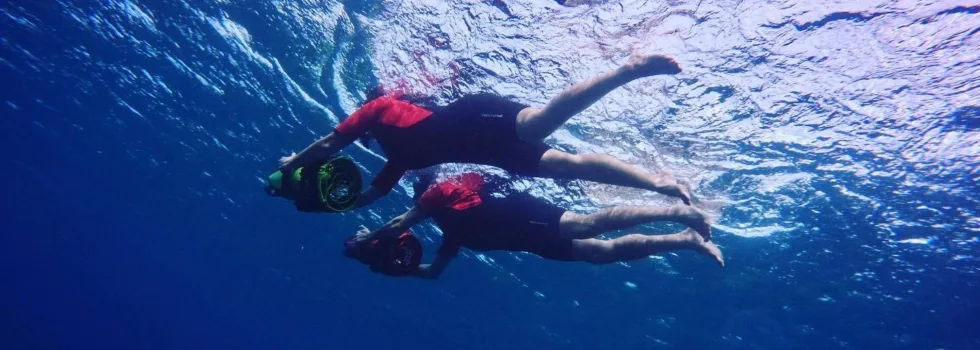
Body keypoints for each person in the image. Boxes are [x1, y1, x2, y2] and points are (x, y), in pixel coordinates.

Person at [278, 53, 692, 210]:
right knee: (567, 166)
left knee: (541, 125)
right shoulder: (397, 160)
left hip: (475, 116)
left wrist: (293, 163)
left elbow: (330, 142)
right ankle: (657, 183)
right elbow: (371, 194)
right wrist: (333, 202)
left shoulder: (379, 108)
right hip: (489, 153)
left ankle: (628, 71)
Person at [345, 173, 723, 279]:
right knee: (602, 252)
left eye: (419, 194)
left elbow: (400, 222)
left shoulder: (448, 190)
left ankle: (677, 212)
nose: (418, 199)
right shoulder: (452, 234)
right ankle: (685, 239)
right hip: (533, 243)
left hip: (526, 214)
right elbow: (432, 272)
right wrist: (396, 267)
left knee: (587, 226)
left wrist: (368, 240)